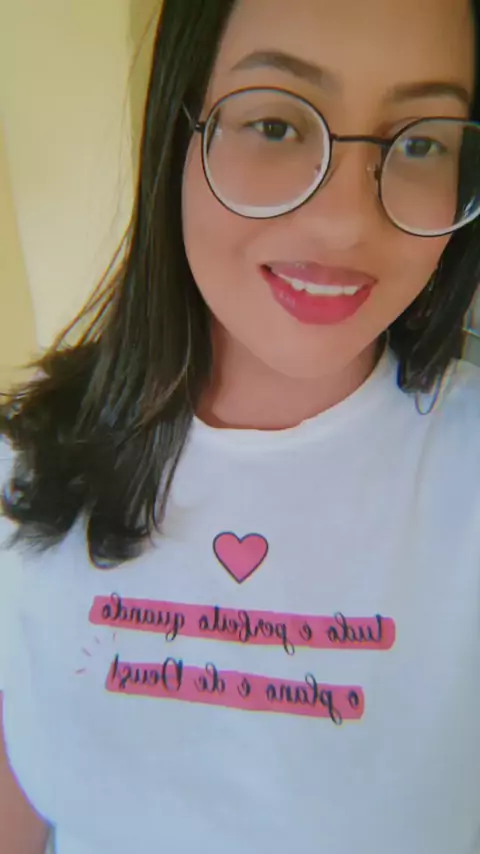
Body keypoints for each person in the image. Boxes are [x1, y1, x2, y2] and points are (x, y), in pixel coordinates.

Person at [1, 0, 480, 851]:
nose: (344, 221)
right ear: (177, 132)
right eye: (276, 125)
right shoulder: (23, 463)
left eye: (419, 144)